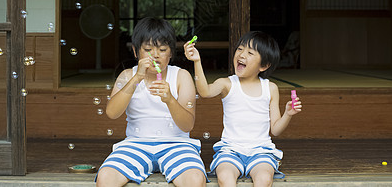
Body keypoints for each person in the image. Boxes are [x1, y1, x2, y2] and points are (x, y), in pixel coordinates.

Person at [95, 17, 207, 187]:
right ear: (135, 51)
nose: (155, 55)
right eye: (148, 49)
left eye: (162, 49)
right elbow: (112, 112)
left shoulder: (181, 77)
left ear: (171, 53)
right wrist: (137, 78)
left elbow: (187, 125)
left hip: (177, 144)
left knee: (195, 179)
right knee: (105, 178)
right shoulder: (127, 75)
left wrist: (170, 100)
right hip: (135, 143)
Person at [184, 31, 303, 187]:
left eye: (250, 52)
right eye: (240, 49)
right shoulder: (227, 84)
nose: (241, 54)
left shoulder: (270, 88)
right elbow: (205, 92)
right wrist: (197, 61)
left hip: (261, 151)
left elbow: (275, 130)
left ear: (264, 65)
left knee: (264, 178)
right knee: (225, 176)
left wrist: (288, 114)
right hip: (230, 150)